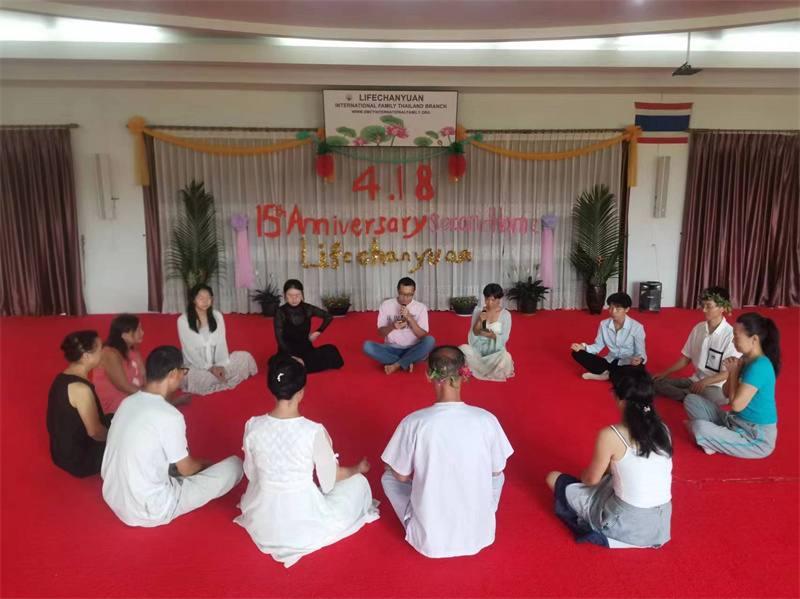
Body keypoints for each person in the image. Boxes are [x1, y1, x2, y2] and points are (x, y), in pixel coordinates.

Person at [235, 354, 379, 567]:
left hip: (263, 518)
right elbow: (330, 480)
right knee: (358, 483)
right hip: (302, 521)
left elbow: (252, 474)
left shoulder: (253, 426)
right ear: (301, 392)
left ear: (271, 388)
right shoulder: (313, 431)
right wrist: (357, 468)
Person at [381, 346, 513, 558]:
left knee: (388, 477)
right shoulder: (487, 419)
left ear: (428, 375)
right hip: (479, 534)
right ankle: (481, 516)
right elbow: (496, 471)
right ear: (465, 374)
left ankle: (419, 522)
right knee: (499, 474)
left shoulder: (413, 422)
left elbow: (401, 476)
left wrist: (392, 463)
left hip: (430, 541)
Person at [101, 346, 243, 527]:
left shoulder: (127, 402)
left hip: (113, 496)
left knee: (168, 454)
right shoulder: (170, 416)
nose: (184, 375)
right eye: (184, 370)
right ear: (173, 373)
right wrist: (205, 465)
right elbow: (188, 470)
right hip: (149, 509)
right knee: (235, 466)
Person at [546, 366, 673, 549]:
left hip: (625, 522)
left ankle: (602, 530)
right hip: (660, 524)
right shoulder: (663, 429)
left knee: (554, 478)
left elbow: (590, 480)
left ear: (621, 400)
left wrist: (585, 475)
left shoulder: (611, 435)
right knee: (613, 477)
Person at [684, 313, 781, 459]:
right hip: (733, 421)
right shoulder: (745, 358)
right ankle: (715, 438)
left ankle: (711, 438)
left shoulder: (760, 367)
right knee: (692, 400)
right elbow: (725, 393)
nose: (733, 341)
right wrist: (731, 373)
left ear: (754, 339)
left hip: (755, 438)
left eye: (736, 337)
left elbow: (736, 405)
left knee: (699, 427)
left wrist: (734, 372)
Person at [653, 287, 740, 405]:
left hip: (717, 386)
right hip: (695, 380)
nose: (704, 310)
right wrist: (664, 373)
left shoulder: (730, 336)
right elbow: (686, 358)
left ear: (723, 308)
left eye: (709, 306)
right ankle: (690, 397)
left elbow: (728, 373)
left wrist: (705, 382)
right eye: (702, 305)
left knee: (717, 396)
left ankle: (688, 396)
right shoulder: (699, 328)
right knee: (655, 381)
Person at [47, 330, 109, 478]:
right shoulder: (81, 389)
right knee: (132, 439)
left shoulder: (62, 377)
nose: (103, 352)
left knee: (117, 418)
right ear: (86, 356)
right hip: (79, 460)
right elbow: (95, 432)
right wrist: (118, 439)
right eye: (100, 349)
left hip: (61, 451)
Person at [177, 284, 257, 395]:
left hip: (216, 361)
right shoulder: (183, 320)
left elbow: (221, 343)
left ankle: (219, 377)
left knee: (245, 357)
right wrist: (210, 368)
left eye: (208, 298)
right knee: (196, 378)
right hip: (196, 364)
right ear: (193, 300)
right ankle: (216, 378)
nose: (205, 301)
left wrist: (221, 365)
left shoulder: (217, 316)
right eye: (201, 298)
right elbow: (190, 350)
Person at [362, 277, 435, 375]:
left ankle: (396, 365)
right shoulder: (386, 305)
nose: (405, 298)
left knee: (430, 341)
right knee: (367, 346)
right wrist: (392, 326)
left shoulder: (420, 307)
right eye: (402, 294)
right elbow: (381, 333)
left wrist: (410, 318)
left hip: (413, 348)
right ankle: (407, 362)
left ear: (414, 292)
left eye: (409, 295)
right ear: (397, 291)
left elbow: (422, 336)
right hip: (391, 348)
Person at [570, 292, 646, 381]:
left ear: (627, 309)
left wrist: (639, 359)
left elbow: (640, 351)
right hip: (610, 361)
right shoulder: (604, 324)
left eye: (618, 309)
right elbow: (598, 346)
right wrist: (583, 347)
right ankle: (611, 374)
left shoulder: (637, 327)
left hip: (628, 362)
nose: (613, 312)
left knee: (639, 369)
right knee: (577, 353)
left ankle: (606, 376)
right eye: (611, 308)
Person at [274, 279, 344, 374]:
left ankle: (301, 365)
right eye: (290, 295)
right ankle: (297, 364)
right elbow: (279, 338)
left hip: (306, 349)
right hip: (288, 350)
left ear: (302, 294)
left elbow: (328, 317)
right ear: (285, 294)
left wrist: (317, 332)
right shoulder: (280, 312)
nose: (294, 299)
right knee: (283, 367)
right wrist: (291, 356)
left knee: (332, 350)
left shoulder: (308, 308)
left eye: (297, 295)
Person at [458, 283, 514, 382]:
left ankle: (477, 369)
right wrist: (479, 321)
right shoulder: (479, 311)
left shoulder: (506, 315)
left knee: (506, 357)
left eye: (493, 300)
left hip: (495, 352)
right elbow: (474, 333)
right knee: (463, 349)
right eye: (487, 300)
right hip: (478, 350)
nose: (489, 303)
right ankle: (487, 369)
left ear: (499, 299)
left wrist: (493, 336)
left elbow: (505, 337)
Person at [93, 314, 146, 414]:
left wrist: (152, 391)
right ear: (124, 335)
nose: (142, 333)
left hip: (134, 397)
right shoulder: (109, 354)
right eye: (138, 330)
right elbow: (123, 386)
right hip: (116, 407)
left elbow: (143, 375)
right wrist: (148, 395)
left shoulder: (133, 348)